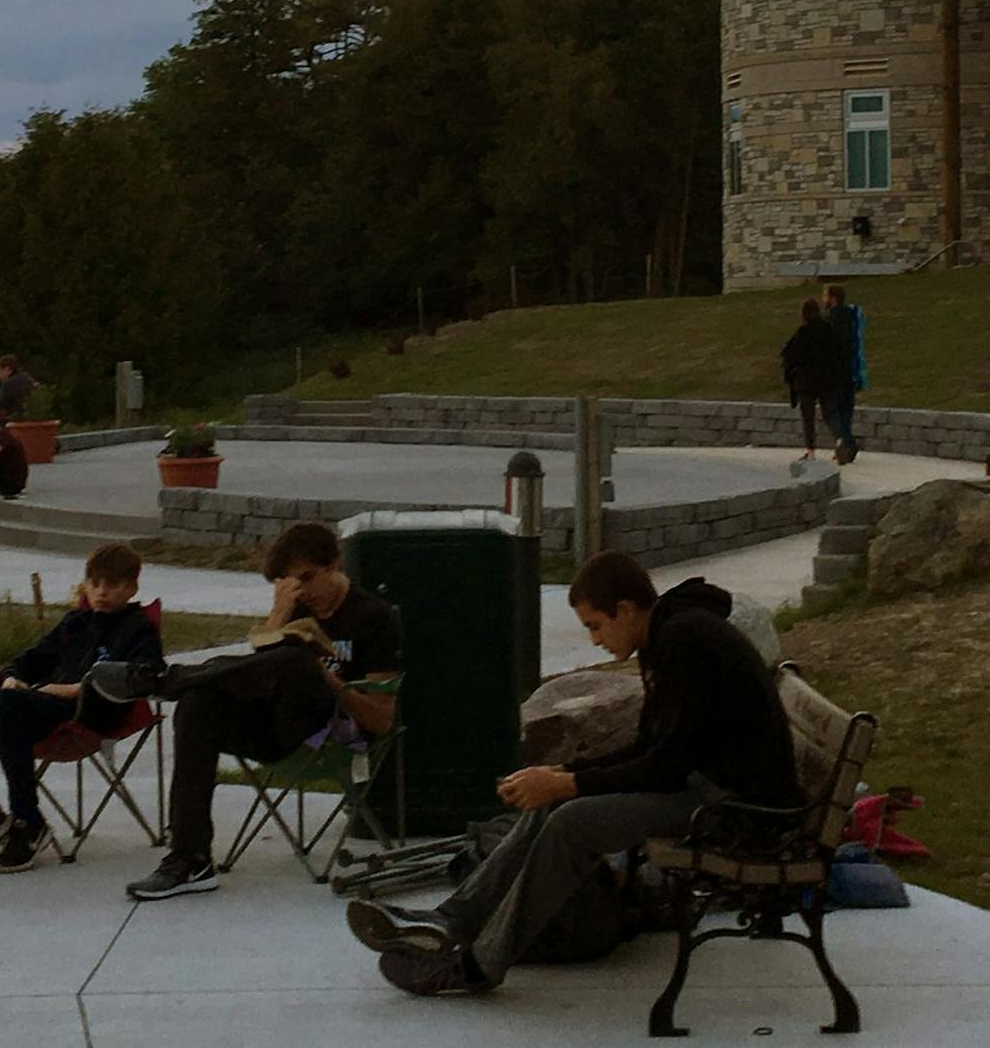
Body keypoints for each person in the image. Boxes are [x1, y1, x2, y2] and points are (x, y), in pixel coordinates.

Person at [345, 550, 801, 999]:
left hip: (738, 810)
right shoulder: (666, 635)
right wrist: (563, 772)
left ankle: (479, 966)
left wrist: (569, 784)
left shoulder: (684, 641)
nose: (595, 641)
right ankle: (450, 921)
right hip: (706, 786)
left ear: (624, 610)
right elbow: (652, 747)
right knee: (558, 804)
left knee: (572, 822)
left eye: (595, 626)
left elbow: (668, 765)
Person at [88, 520, 402, 901]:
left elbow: (382, 720)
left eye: (308, 577)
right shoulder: (295, 606)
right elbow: (255, 678)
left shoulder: (374, 617)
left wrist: (328, 679)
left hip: (335, 735)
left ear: (335, 564)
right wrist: (278, 616)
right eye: (291, 583)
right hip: (279, 727)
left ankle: (162, 680)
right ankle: (190, 858)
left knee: (298, 663)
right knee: (197, 704)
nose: (303, 591)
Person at [0, 543, 162, 872]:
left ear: (131, 587)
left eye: (111, 585)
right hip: (31, 708)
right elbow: (29, 661)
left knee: (4, 706)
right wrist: (11, 678)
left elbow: (145, 676)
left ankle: (28, 819)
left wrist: (72, 689)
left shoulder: (138, 629)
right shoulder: (74, 623)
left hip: (89, 715)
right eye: (94, 584)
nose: (101, 592)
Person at [780, 299, 845, 462]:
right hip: (828, 380)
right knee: (831, 413)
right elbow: (839, 354)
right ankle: (840, 440)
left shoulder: (803, 332)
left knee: (808, 417)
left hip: (806, 382)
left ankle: (810, 451)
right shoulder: (829, 330)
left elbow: (791, 356)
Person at [821, 284, 868, 465]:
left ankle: (845, 443)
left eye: (825, 295)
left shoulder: (829, 320)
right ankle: (845, 445)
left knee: (832, 411)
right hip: (851, 371)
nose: (823, 299)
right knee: (846, 411)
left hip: (834, 373)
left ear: (833, 298)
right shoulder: (852, 316)